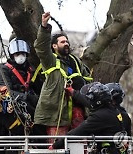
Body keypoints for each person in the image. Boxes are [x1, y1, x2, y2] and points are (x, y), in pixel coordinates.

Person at [34, 12, 92, 142]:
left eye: (67, 41)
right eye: (62, 42)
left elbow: (88, 80)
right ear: (54, 46)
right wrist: (44, 27)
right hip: (57, 111)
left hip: (78, 108)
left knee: (80, 143)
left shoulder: (76, 61)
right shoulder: (50, 61)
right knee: (57, 144)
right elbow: (41, 48)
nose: (66, 43)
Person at [50, 82, 130, 154]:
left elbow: (78, 131)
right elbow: (89, 104)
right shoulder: (112, 110)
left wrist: (56, 145)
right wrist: (74, 93)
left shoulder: (99, 116)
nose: (89, 101)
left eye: (91, 98)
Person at [0, 38, 39, 138]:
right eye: (17, 54)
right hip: (7, 112)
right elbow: (4, 92)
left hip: (26, 110)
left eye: (23, 53)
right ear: (12, 55)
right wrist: (27, 97)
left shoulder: (30, 70)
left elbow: (38, 88)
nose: (21, 56)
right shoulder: (3, 71)